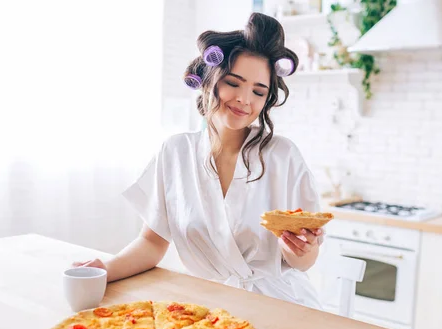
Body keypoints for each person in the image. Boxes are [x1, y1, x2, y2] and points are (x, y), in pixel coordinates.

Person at [74, 13, 325, 309]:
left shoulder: (283, 156)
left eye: (259, 91)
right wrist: (105, 269)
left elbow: (302, 262)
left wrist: (301, 249)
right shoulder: (175, 152)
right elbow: (153, 243)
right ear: (209, 82)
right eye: (234, 83)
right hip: (207, 305)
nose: (245, 99)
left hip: (280, 303)